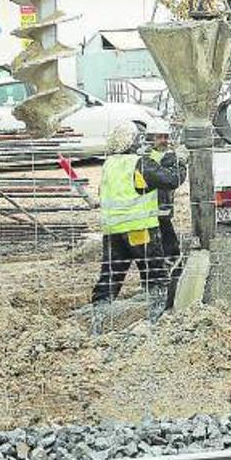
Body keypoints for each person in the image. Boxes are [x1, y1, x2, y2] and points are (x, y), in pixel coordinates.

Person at [90, 122, 183, 333]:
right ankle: (155, 321)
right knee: (155, 274)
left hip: (113, 231)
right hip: (139, 230)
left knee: (110, 275)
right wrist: (180, 162)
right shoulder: (139, 164)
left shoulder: (110, 164)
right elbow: (172, 179)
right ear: (135, 143)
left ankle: (98, 321)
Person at [144, 121, 186, 268]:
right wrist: (179, 160)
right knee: (165, 243)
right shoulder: (152, 157)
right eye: (159, 137)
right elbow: (175, 178)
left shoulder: (161, 155)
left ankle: (169, 266)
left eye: (165, 137)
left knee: (165, 239)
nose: (163, 141)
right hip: (152, 209)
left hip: (161, 208)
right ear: (150, 138)